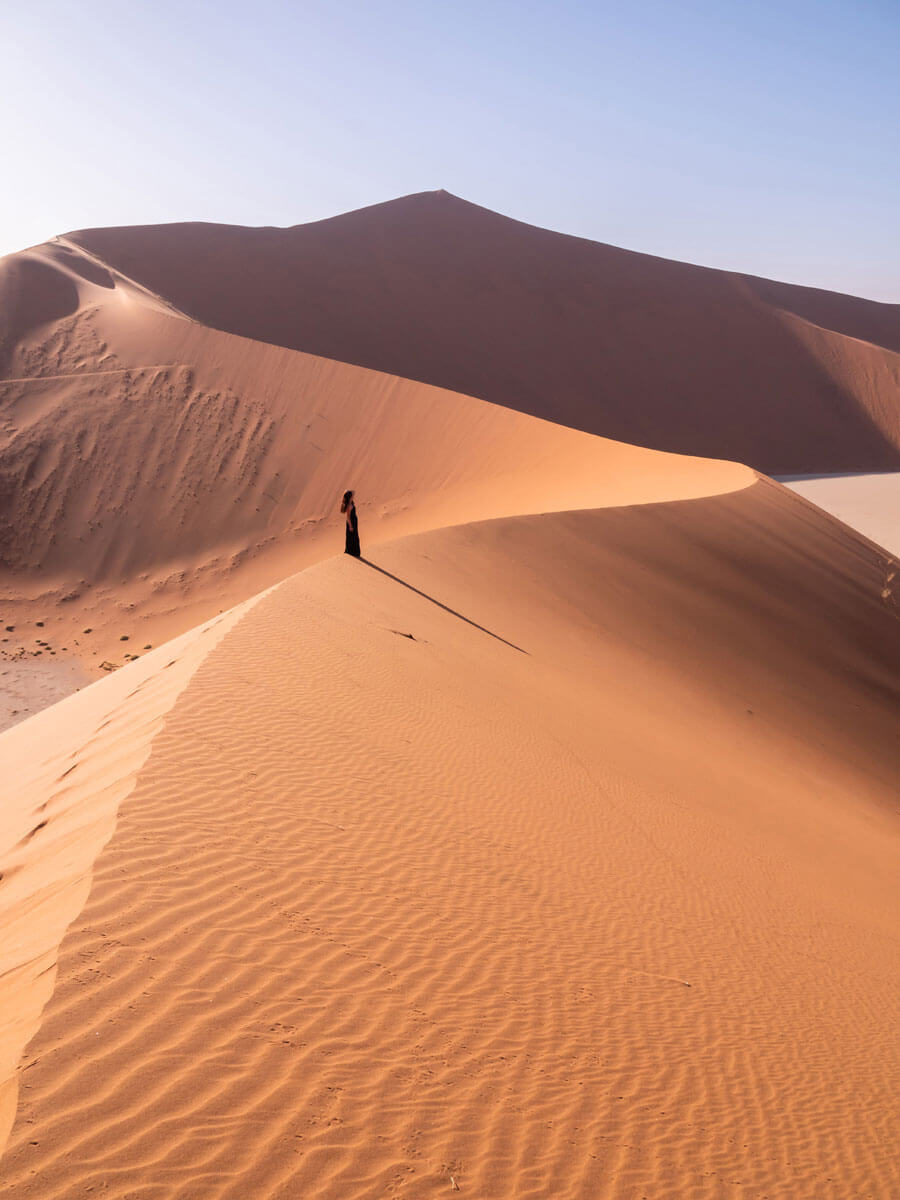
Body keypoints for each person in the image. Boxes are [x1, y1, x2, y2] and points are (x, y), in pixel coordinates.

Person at [341, 489, 360, 557]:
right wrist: (350, 526)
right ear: (350, 497)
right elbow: (348, 517)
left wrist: (345, 493)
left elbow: (354, 491)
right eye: (352, 496)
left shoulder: (351, 502)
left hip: (353, 521)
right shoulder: (349, 505)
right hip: (351, 522)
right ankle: (352, 552)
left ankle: (354, 552)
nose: (353, 496)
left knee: (354, 536)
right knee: (352, 537)